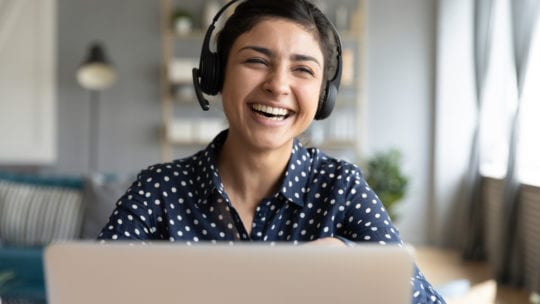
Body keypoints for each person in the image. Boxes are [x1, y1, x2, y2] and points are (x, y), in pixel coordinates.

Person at [98, 0, 445, 303]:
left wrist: (351, 257)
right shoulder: (158, 189)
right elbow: (95, 288)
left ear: (324, 97)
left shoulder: (341, 187)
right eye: (257, 61)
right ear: (216, 75)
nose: (278, 85)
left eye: (303, 70)